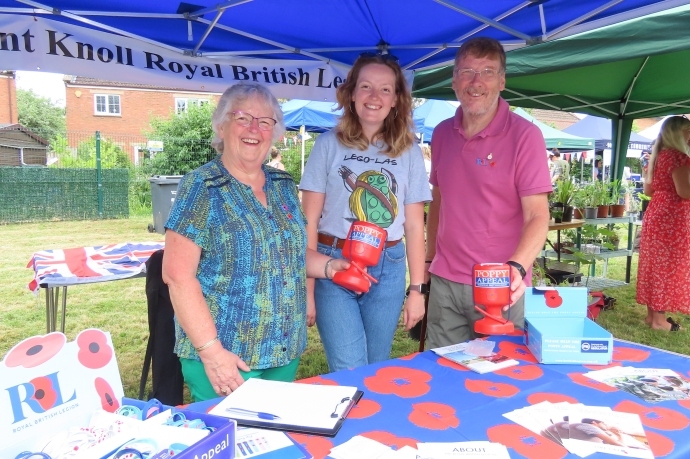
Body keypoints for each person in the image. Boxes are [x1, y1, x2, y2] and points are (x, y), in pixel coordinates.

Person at [161, 83, 349, 401]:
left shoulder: (283, 185)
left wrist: (330, 266)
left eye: (265, 122)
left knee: (270, 445)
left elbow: (290, 254)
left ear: (274, 133)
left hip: (283, 350)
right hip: (227, 358)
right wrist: (211, 352)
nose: (254, 129)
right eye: (243, 117)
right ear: (221, 125)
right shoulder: (202, 186)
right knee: (230, 445)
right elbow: (177, 276)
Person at [300, 53, 432, 372]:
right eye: (366, 87)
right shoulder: (328, 145)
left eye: (385, 89)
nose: (375, 97)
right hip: (334, 261)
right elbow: (308, 222)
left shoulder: (410, 151)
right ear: (351, 93)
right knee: (349, 366)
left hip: (388, 266)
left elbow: (415, 227)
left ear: (397, 99)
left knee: (375, 368)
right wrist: (307, 289)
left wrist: (417, 290)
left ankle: (368, 422)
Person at [424, 37, 552, 347]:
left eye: (488, 71)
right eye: (467, 71)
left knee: (501, 384)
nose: (476, 81)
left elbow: (538, 214)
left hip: (500, 286)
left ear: (502, 81)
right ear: (454, 80)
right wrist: (429, 264)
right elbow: (439, 202)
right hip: (445, 281)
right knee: (441, 378)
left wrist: (517, 267)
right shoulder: (442, 133)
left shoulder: (526, 135)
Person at [636, 115, 690, 332]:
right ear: (679, 133)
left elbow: (648, 190)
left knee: (655, 265)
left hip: (656, 213)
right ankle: (659, 321)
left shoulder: (658, 156)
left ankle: (653, 317)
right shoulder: (679, 158)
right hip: (673, 219)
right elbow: (684, 191)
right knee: (668, 266)